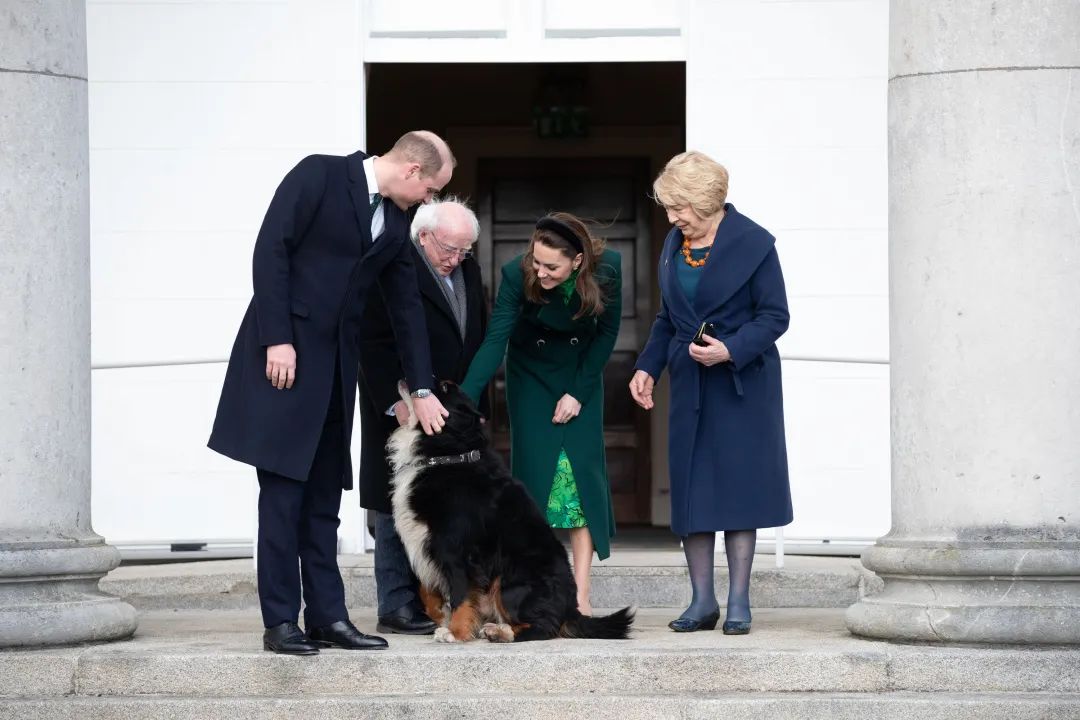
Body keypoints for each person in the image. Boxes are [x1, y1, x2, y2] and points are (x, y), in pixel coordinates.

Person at [208, 131, 455, 655]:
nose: (429, 200)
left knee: (323, 502)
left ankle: (328, 617)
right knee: (281, 498)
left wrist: (423, 386)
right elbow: (271, 249)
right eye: (432, 189)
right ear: (412, 171)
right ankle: (280, 622)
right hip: (285, 363)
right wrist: (277, 338)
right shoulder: (319, 174)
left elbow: (406, 307)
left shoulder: (395, 219)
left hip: (338, 374)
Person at [629, 151, 792, 635]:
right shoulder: (675, 244)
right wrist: (647, 367)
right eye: (670, 209)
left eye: (680, 207)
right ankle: (702, 600)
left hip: (743, 384)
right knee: (693, 490)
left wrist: (731, 349)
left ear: (707, 201)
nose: (673, 218)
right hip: (691, 381)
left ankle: (739, 600)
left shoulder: (755, 244)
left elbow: (775, 316)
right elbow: (668, 317)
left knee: (741, 489)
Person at [460, 213, 621, 616]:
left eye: (552, 266)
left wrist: (578, 393)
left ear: (578, 261)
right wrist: (463, 399)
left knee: (582, 486)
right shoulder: (517, 275)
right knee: (536, 486)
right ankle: (537, 590)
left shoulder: (609, 269)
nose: (541, 272)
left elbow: (606, 336)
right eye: (537, 262)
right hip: (531, 378)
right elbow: (496, 337)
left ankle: (581, 597)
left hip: (580, 377)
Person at [357, 197, 488, 635]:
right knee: (394, 501)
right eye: (448, 249)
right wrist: (393, 402)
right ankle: (396, 605)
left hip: (450, 408)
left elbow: (476, 333)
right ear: (424, 235)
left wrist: (469, 404)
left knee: (444, 503)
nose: (455, 259)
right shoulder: (396, 262)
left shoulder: (467, 267)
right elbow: (370, 338)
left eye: (463, 251)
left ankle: (437, 601)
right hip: (401, 405)